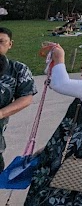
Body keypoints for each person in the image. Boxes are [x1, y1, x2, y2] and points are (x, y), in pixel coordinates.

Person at [25, 45, 82, 206]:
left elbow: (61, 84)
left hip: (74, 154)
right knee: (72, 195)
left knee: (56, 194)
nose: (81, 72)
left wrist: (59, 57)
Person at [0, 27, 36, 172]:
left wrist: (1, 113)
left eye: (1, 41)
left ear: (10, 44)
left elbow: (26, 98)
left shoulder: (18, 69)